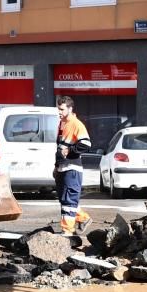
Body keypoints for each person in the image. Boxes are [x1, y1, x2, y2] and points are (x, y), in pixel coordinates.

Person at [53, 95, 92, 236]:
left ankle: (67, 231)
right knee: (65, 200)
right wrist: (56, 167)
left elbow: (86, 144)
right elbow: (60, 148)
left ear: (70, 109)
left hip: (72, 168)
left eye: (62, 109)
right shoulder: (63, 124)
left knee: (69, 200)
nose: (59, 112)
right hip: (63, 168)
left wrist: (69, 151)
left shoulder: (76, 124)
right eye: (58, 109)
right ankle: (83, 218)